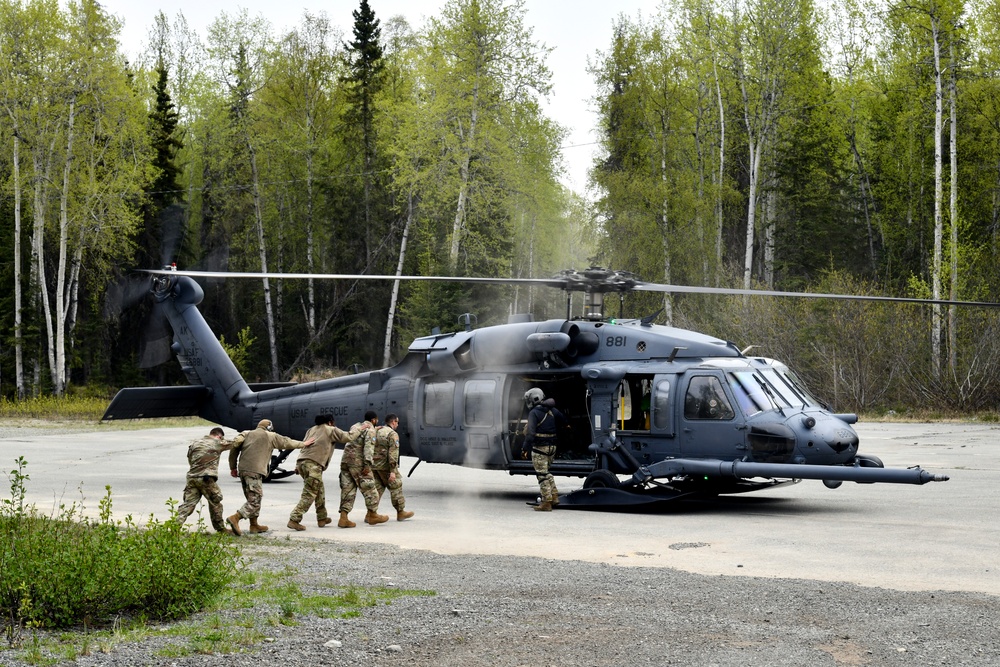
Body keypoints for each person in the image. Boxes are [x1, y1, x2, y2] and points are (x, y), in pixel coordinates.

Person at [227, 418, 315, 536]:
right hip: (255, 471)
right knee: (255, 500)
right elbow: (287, 442)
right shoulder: (270, 436)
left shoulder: (246, 434)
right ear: (269, 427)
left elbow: (234, 449)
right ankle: (236, 518)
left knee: (251, 498)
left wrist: (233, 467)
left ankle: (254, 525)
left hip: (243, 470)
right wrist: (303, 444)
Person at [287, 414, 355, 531]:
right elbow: (347, 437)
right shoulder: (330, 429)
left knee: (319, 490)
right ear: (330, 422)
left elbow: (305, 445)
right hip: (313, 465)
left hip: (302, 463)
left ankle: (322, 518)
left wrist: (297, 465)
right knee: (310, 493)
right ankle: (294, 519)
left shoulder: (311, 430)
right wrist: (359, 429)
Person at [174, 427, 236, 534]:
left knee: (188, 504)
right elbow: (235, 443)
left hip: (192, 477)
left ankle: (175, 526)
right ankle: (221, 529)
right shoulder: (217, 442)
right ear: (219, 436)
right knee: (215, 501)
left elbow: (190, 459)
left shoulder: (195, 443)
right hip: (206, 478)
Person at [338, 411, 388, 527]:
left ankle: (343, 518)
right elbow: (368, 447)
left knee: (348, 489)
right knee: (370, 488)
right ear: (374, 420)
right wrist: (367, 465)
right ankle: (373, 515)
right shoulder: (370, 430)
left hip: (346, 461)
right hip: (358, 463)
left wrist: (374, 430)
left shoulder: (356, 426)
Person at [522, 388, 568, 512]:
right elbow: (564, 421)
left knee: (541, 475)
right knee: (546, 472)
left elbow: (530, 434)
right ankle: (554, 496)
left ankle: (546, 502)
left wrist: (524, 448)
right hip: (552, 447)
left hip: (540, 448)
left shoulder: (534, 413)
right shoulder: (552, 410)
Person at [371, 413, 414, 522]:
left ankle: (370, 513)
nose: (397, 425)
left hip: (374, 466)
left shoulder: (376, 430)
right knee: (396, 486)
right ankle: (401, 512)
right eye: (397, 422)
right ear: (393, 422)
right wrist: (393, 471)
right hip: (385, 466)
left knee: (378, 489)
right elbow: (393, 454)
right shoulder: (392, 434)